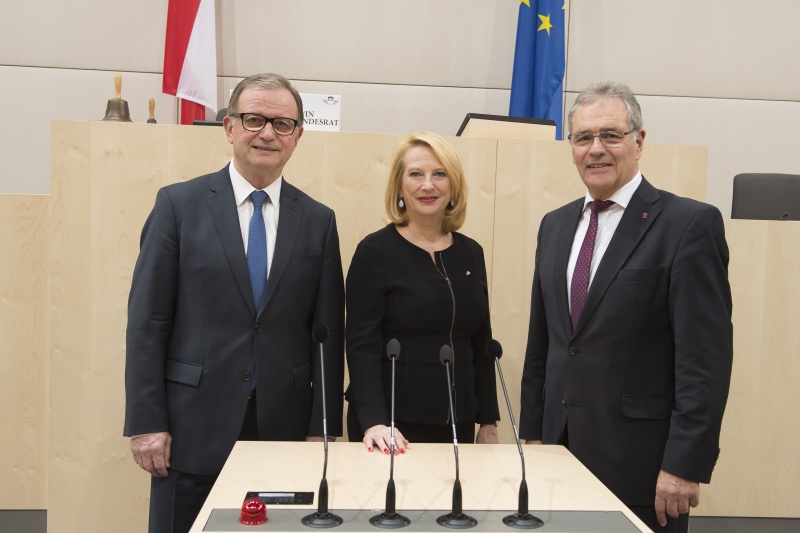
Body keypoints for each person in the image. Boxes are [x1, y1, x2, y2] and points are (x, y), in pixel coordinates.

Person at [123, 73, 345, 533]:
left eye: (283, 124)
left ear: (298, 136)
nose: (268, 133)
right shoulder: (178, 206)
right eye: (254, 119)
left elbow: (327, 334)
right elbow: (148, 321)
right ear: (228, 127)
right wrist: (147, 421)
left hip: (282, 430)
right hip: (190, 428)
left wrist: (322, 426)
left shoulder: (319, 222)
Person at [519, 81, 732, 533]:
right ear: (571, 147)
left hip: (644, 466)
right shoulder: (554, 226)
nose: (595, 149)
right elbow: (546, 343)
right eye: (582, 138)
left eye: (610, 135)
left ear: (639, 141)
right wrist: (533, 433)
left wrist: (684, 463)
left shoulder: (688, 225)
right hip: (557, 454)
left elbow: (704, 360)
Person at [345, 132, 500, 454]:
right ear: (399, 187)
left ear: (453, 186)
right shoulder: (375, 252)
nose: (427, 185)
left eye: (439, 174)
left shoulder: (471, 253)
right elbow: (361, 346)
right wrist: (373, 420)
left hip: (458, 421)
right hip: (391, 425)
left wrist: (488, 421)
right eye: (415, 174)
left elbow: (481, 342)